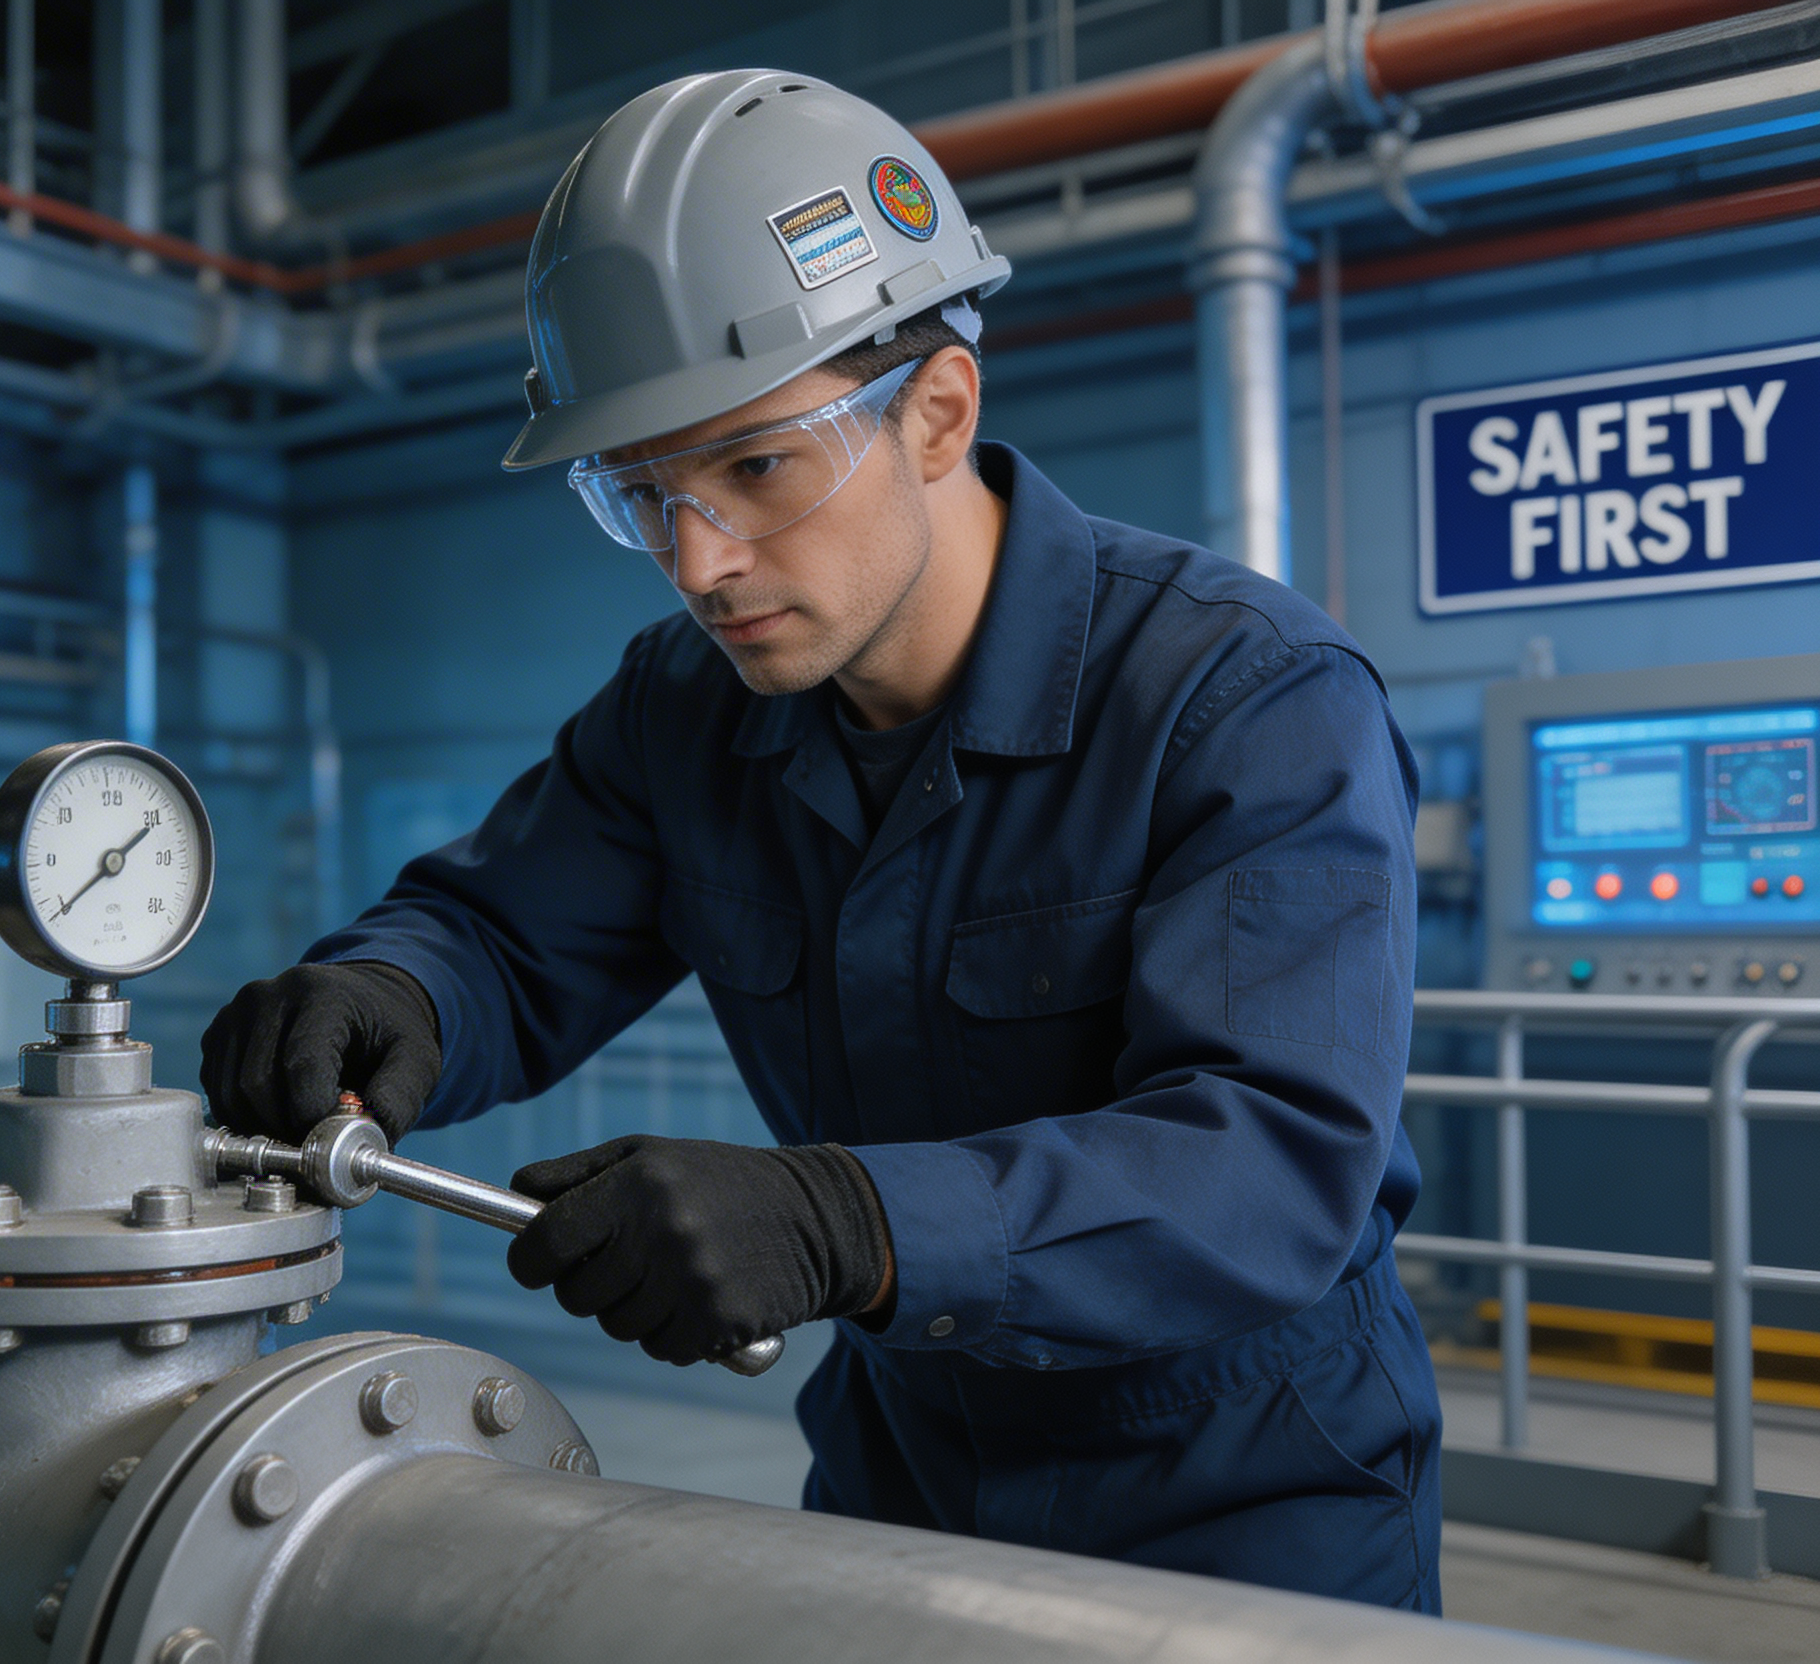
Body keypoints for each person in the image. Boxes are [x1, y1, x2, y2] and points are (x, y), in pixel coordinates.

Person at [201, 69, 1438, 1612]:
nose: (700, 563)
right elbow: (507, 936)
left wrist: (845, 1220)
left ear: (938, 411)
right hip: (899, 1473)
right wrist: (390, 995)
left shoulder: (1240, 698)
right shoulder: (685, 709)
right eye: (640, 495)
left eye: (756, 468)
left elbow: (1275, 1161)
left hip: (1244, 1497)